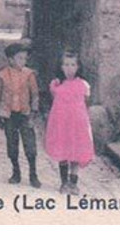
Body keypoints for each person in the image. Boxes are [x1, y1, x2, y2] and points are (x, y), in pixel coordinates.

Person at [44, 49, 94, 194]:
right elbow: (55, 102)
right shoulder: (56, 84)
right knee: (63, 150)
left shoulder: (84, 85)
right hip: (61, 123)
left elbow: (85, 103)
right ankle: (63, 182)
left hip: (77, 124)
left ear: (78, 67)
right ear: (61, 67)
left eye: (73, 65)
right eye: (66, 65)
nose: (69, 68)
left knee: (76, 152)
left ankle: (73, 183)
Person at [0, 40, 41, 188]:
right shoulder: (3, 75)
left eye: (25, 58)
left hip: (25, 114)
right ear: (10, 59)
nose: (23, 61)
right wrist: (0, 115)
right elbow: (0, 96)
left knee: (30, 146)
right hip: (9, 115)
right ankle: (16, 171)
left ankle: (33, 173)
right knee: (12, 144)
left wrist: (34, 112)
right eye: (20, 58)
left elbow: (34, 94)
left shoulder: (29, 75)